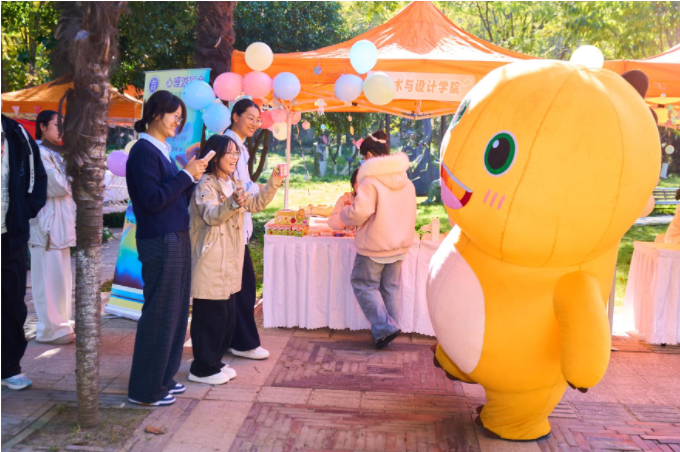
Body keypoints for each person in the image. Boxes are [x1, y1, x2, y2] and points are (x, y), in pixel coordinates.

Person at [125, 90, 208, 406]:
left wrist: (191, 177)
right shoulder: (143, 151)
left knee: (175, 312)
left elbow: (172, 196)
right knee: (160, 313)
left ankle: (162, 378)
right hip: (160, 239)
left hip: (175, 234)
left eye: (181, 117)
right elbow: (152, 200)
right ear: (155, 115)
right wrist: (186, 174)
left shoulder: (161, 150)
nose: (178, 121)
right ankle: (145, 389)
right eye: (175, 115)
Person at [188, 135, 284, 385]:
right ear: (214, 156)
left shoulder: (232, 181)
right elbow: (211, 215)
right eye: (229, 153)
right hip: (211, 259)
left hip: (229, 257)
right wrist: (232, 202)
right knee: (210, 317)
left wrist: (273, 183)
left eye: (235, 153)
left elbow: (255, 204)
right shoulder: (205, 185)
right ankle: (202, 369)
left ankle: (214, 362)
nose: (234, 158)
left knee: (227, 316)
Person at [340, 130, 416, 349]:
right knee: (389, 289)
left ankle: (385, 328)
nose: (364, 161)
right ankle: (386, 332)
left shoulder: (370, 181)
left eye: (365, 157)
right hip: (399, 246)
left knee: (363, 284)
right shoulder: (406, 181)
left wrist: (344, 214)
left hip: (374, 246)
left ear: (371, 155)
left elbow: (359, 213)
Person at [1, 114, 47, 390]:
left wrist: (24, 211)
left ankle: (8, 367)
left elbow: (37, 177)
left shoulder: (16, 132)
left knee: (11, 304)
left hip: (10, 235)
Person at [223, 98, 270, 360]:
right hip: (231, 225)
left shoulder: (239, 146)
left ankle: (234, 340)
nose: (254, 123)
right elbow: (237, 184)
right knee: (244, 286)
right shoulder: (230, 145)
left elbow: (244, 183)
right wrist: (260, 188)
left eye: (257, 119)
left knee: (240, 286)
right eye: (250, 117)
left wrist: (260, 188)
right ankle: (243, 343)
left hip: (239, 225)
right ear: (235, 116)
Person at [29, 110, 76, 345]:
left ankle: (61, 322)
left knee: (61, 277)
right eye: (57, 125)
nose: (61, 130)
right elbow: (57, 185)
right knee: (47, 278)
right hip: (46, 224)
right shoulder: (37, 152)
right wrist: (75, 176)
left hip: (60, 223)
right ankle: (49, 329)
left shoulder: (55, 153)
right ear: (42, 126)